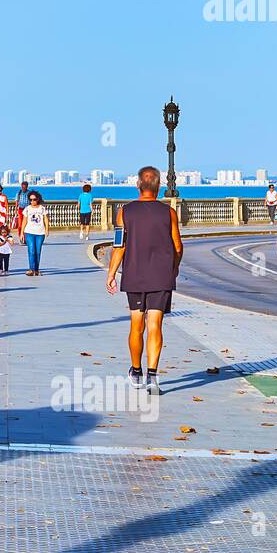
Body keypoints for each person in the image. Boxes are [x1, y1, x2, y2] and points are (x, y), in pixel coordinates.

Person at [105, 165, 183, 395]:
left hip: (134, 274)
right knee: (155, 325)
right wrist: (174, 268)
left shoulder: (124, 212)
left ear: (138, 184)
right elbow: (178, 246)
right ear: (158, 186)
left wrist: (111, 273)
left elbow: (119, 245)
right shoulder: (168, 213)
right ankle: (153, 375)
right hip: (161, 276)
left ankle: (136, 371)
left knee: (136, 325)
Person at [21, 189, 49, 275]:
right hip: (29, 232)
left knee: (38, 251)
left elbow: (45, 219)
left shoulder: (42, 208)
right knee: (31, 250)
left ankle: (36, 269)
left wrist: (47, 229)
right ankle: (31, 269)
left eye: (34, 199)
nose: (32, 201)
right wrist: (22, 232)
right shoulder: (27, 209)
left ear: (38, 199)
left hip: (40, 232)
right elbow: (24, 220)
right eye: (30, 200)